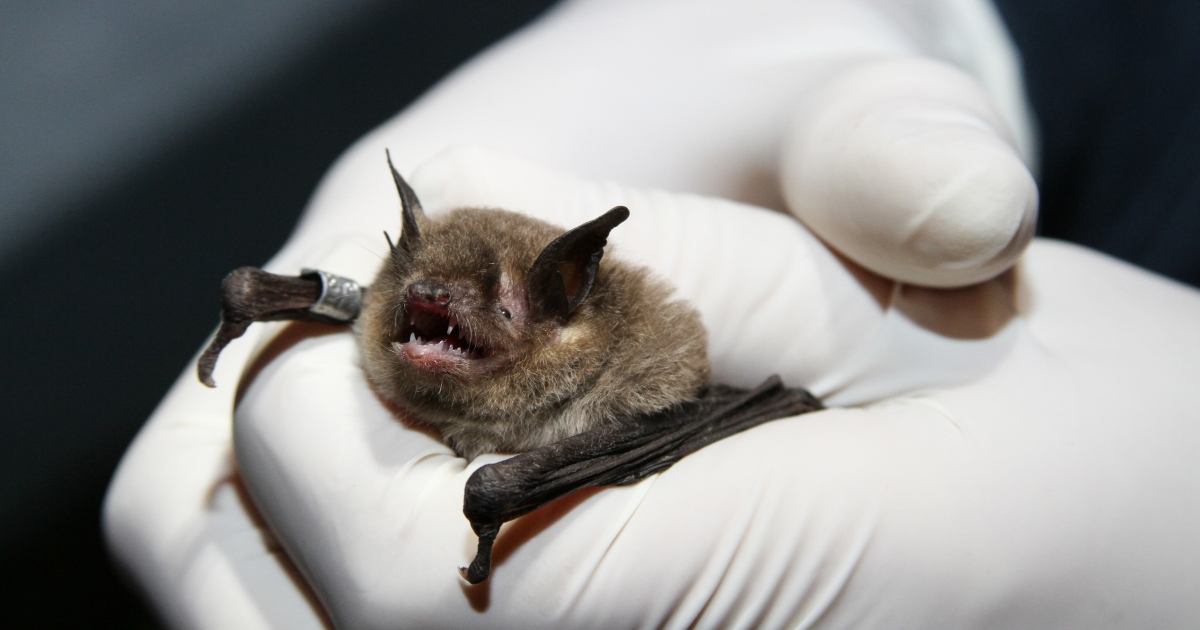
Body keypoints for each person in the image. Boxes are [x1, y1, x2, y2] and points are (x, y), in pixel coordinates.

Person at [103, 0, 1200, 627]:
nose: (431, 310)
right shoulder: (398, 308)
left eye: (483, 306)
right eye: (418, 291)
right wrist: (966, 24)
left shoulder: (625, 368)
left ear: (566, 303)